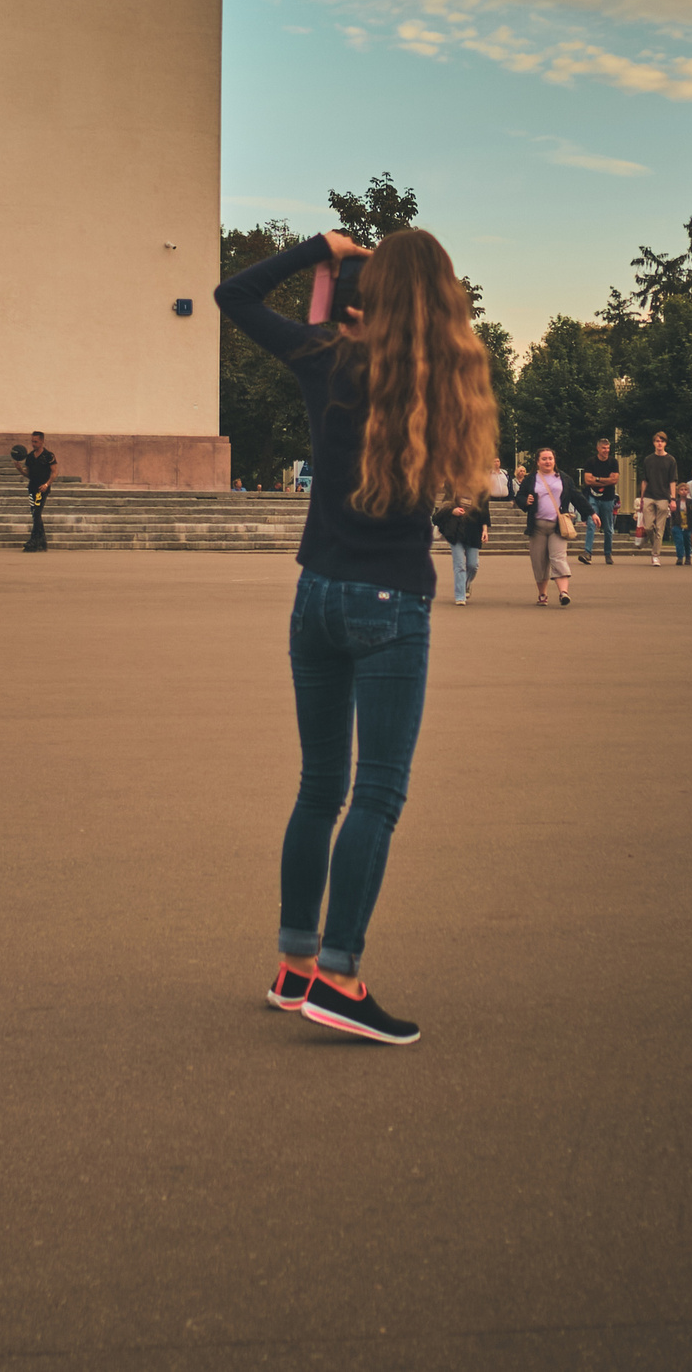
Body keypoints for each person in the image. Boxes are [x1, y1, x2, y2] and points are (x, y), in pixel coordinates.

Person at [216, 224, 497, 1046]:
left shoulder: (322, 356)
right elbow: (447, 501)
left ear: (368, 287)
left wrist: (317, 251)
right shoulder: (447, 379)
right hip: (389, 603)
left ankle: (295, 964)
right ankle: (340, 977)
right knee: (377, 792)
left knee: (318, 788)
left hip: (316, 595)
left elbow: (233, 296)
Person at [511, 447, 587, 606]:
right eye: (544, 459)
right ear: (538, 462)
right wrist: (526, 501)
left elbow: (576, 496)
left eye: (550, 458)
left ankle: (563, 593)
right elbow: (519, 496)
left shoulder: (564, 478)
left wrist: (591, 513)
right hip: (537, 528)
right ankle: (542, 594)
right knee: (539, 562)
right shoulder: (531, 479)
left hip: (557, 527)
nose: (547, 461)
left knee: (558, 558)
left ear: (554, 460)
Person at [435, 488, 487, 605]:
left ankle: (466, 584)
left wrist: (485, 530)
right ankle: (460, 596)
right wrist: (452, 511)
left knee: (473, 565)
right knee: (459, 565)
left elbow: (484, 511)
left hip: (473, 531)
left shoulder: (480, 484)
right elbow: (444, 505)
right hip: (456, 531)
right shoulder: (454, 482)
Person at [635, 431, 678, 566]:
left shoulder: (671, 460)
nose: (660, 443)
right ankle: (655, 547)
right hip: (649, 495)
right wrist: (641, 499)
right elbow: (644, 480)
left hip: (664, 497)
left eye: (662, 441)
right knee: (648, 527)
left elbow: (672, 481)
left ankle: (655, 555)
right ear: (654, 443)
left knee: (660, 528)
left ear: (665, 443)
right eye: (657, 441)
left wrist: (673, 499)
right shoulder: (648, 460)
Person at [579, 437, 620, 565]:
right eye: (603, 448)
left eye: (608, 448)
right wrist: (605, 479)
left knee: (608, 527)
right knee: (591, 524)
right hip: (593, 497)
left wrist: (596, 479)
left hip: (608, 498)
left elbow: (614, 480)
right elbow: (587, 480)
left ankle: (608, 553)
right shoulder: (591, 462)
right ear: (598, 449)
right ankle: (587, 553)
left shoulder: (613, 462)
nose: (606, 451)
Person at [19, 430, 55, 552]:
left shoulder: (49, 456)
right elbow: (28, 474)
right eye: (32, 441)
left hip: (41, 490)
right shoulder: (29, 457)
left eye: (36, 441)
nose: (33, 444)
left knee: (37, 512)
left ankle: (34, 539)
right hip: (32, 489)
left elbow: (55, 472)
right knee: (34, 512)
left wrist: (47, 484)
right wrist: (19, 469)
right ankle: (42, 540)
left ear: (42, 441)